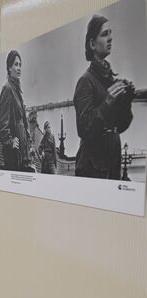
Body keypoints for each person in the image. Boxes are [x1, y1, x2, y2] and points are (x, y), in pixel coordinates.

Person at [73, 15, 134, 180]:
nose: (110, 38)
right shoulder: (85, 82)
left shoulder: (111, 81)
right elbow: (83, 129)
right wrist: (106, 103)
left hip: (112, 161)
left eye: (111, 33)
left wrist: (126, 102)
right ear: (92, 44)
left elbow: (120, 126)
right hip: (91, 168)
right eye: (105, 34)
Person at [0, 50, 33, 172]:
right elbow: (2, 123)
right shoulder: (7, 89)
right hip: (14, 155)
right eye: (15, 64)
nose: (18, 68)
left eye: (20, 65)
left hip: (22, 152)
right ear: (9, 68)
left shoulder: (16, 89)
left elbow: (22, 118)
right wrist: (10, 140)